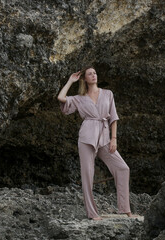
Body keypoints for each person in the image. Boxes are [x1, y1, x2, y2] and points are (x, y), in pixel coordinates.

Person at [57, 66, 134, 220]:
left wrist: (114, 139)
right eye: (90, 74)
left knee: (123, 168)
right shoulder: (79, 98)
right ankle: (92, 213)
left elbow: (114, 117)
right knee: (87, 176)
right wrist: (70, 81)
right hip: (86, 137)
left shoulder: (108, 94)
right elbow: (61, 98)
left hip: (105, 137)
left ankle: (125, 209)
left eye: (95, 73)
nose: (93, 75)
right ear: (85, 79)